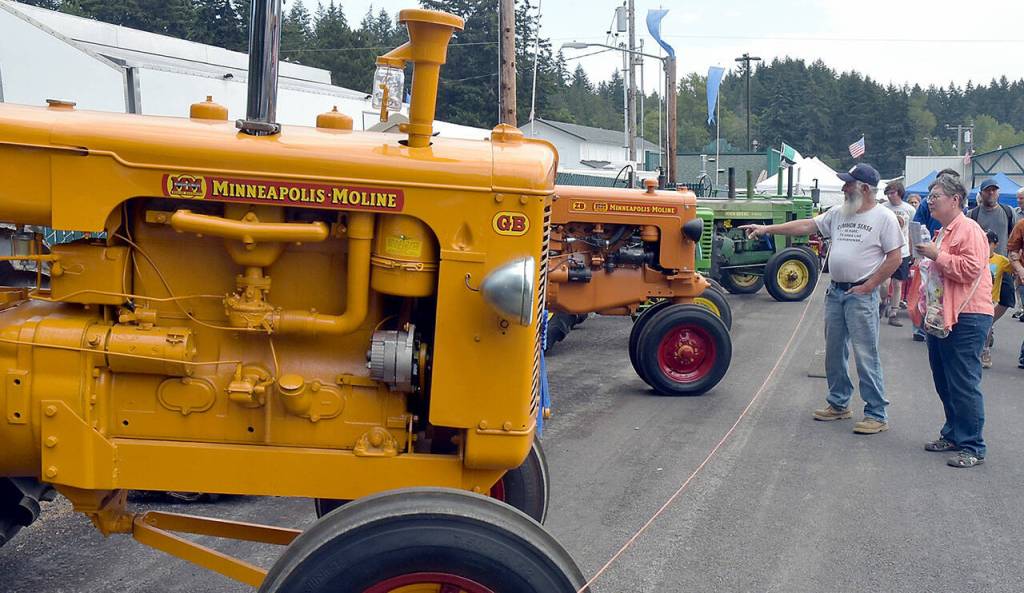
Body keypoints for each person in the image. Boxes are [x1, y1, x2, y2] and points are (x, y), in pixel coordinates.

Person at [742, 164, 903, 434]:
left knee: (866, 354)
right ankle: (839, 403)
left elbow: (895, 258)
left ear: (864, 189)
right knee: (834, 352)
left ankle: (877, 413)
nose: (843, 188)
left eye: (848, 184)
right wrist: (767, 229)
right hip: (837, 292)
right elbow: (807, 225)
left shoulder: (884, 218)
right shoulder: (839, 213)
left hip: (860, 295)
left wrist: (869, 286)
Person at [913, 174, 992, 468]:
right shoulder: (944, 230)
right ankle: (954, 434)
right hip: (945, 313)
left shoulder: (968, 229)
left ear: (955, 200)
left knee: (963, 382)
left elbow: (971, 269)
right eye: (930, 197)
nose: (929, 201)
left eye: (935, 196)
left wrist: (937, 254)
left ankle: (973, 445)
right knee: (944, 379)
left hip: (968, 314)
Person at [967, 179, 1015, 332]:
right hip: (979, 266)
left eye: (994, 190)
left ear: (998, 192)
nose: (991, 192)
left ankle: (987, 324)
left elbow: (1014, 237)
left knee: (1007, 299)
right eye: (988, 190)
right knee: (981, 300)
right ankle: (983, 328)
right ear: (981, 194)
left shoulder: (1008, 212)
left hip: (1003, 264)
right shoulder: (972, 214)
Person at [881, 180, 916, 326]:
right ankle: (883, 302)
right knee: (884, 283)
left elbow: (912, 231)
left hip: (903, 251)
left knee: (897, 283)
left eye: (892, 193)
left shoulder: (909, 210)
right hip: (885, 250)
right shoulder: (882, 208)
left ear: (900, 193)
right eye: (888, 193)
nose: (890, 196)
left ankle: (894, 312)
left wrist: (914, 251)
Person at [982, 229, 1012, 369]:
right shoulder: (975, 257)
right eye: (983, 242)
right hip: (976, 298)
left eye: (989, 243)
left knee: (987, 325)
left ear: (996, 244)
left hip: (992, 299)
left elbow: (1015, 269)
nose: (986, 246)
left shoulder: (1001, 261)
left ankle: (985, 351)